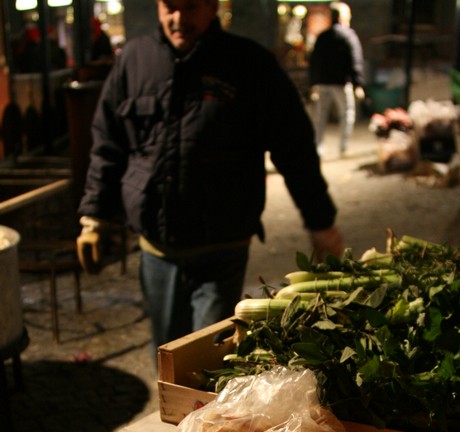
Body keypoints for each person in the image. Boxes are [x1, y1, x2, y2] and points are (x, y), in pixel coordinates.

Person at [77, 0, 343, 352]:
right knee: (168, 353)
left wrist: (320, 221)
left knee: (209, 357)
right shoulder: (134, 60)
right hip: (157, 249)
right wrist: (93, 216)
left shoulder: (249, 64)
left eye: (190, 7)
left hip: (221, 247)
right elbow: (108, 143)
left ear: (213, 6)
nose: (178, 19)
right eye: (170, 7)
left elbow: (294, 148)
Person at [309, 2, 365, 157]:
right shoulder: (348, 36)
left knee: (321, 116)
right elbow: (355, 60)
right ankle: (343, 146)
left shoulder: (322, 37)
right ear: (342, 17)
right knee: (346, 113)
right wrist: (358, 84)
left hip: (322, 83)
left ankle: (318, 147)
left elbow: (314, 61)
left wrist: (313, 83)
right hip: (341, 83)